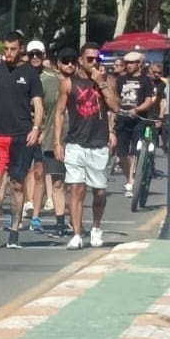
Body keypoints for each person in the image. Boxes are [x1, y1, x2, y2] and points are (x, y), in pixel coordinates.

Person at [0, 31, 45, 250]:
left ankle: (14, 231)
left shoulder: (30, 73)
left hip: (21, 135)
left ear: (20, 49)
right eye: (5, 49)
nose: (9, 53)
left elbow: (38, 104)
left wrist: (36, 129)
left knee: (16, 184)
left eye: (13, 49)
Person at [54, 43, 121, 250]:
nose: (93, 63)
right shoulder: (68, 83)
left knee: (99, 192)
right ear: (81, 60)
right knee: (76, 189)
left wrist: (101, 83)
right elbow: (59, 112)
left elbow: (115, 107)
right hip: (76, 142)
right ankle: (76, 233)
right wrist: (57, 142)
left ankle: (96, 227)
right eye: (89, 59)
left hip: (98, 143)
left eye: (97, 59)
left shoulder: (107, 80)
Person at [25, 41, 68, 236]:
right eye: (31, 54)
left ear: (43, 55)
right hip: (22, 129)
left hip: (43, 132)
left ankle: (38, 216)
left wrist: (43, 130)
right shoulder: (20, 75)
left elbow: (53, 109)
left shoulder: (52, 79)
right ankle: (22, 213)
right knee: (21, 175)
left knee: (41, 173)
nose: (34, 58)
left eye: (38, 54)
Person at [113, 51, 158, 197]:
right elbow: (116, 98)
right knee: (121, 156)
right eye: (127, 63)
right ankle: (130, 179)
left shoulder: (146, 81)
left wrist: (137, 109)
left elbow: (149, 101)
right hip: (122, 119)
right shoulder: (121, 79)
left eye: (132, 62)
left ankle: (133, 182)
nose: (129, 65)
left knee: (135, 152)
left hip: (139, 119)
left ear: (140, 64)